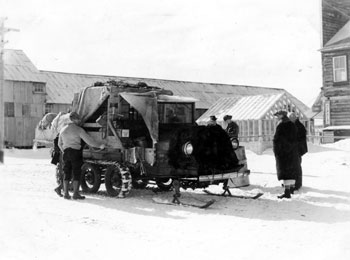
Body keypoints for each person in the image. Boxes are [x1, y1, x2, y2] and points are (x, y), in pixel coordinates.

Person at [58, 112, 105, 200]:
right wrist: (100, 146)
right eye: (77, 119)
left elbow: (59, 144)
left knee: (66, 172)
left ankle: (66, 194)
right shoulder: (78, 129)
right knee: (76, 172)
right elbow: (89, 141)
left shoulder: (62, 129)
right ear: (73, 119)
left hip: (66, 152)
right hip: (75, 152)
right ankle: (76, 194)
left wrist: (64, 150)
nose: (79, 121)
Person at [273, 110, 299, 199]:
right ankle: (290, 189)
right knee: (291, 171)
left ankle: (287, 192)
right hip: (292, 151)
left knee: (285, 172)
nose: (276, 117)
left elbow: (277, 139)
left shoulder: (281, 125)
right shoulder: (292, 124)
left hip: (283, 152)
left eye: (277, 115)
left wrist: (277, 150)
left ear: (281, 116)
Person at [288, 112, 308, 191]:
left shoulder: (299, 126)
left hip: (297, 150)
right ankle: (291, 183)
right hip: (293, 150)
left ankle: (297, 184)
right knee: (291, 167)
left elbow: (299, 139)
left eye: (291, 118)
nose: (289, 120)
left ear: (294, 118)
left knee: (296, 167)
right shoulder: (293, 125)